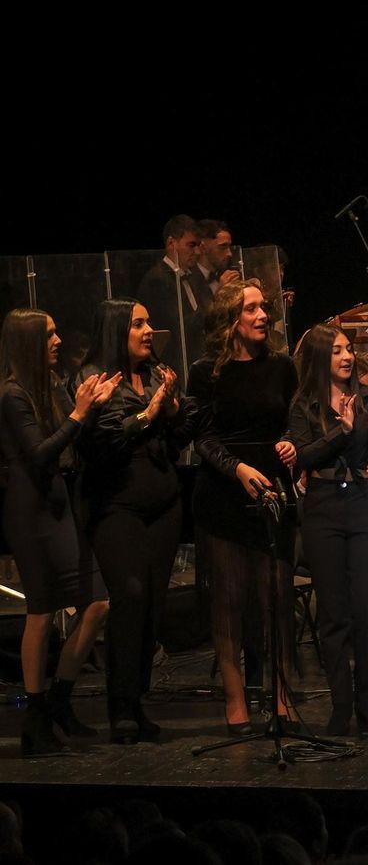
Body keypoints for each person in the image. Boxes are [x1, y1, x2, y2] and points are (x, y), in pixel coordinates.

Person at [77, 298, 196, 743]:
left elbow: (178, 442)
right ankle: (119, 706)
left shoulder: (154, 375)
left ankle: (137, 701)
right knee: (129, 595)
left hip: (163, 506)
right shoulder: (95, 379)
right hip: (116, 508)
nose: (150, 331)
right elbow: (109, 439)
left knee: (153, 605)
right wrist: (149, 414)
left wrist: (174, 411)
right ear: (115, 331)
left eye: (149, 322)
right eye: (139, 324)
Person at [1, 309, 119, 755]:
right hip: (29, 510)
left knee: (97, 602)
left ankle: (59, 701)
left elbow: (62, 444)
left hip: (55, 505)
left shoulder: (44, 387)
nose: (57, 339)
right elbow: (39, 455)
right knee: (42, 610)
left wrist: (88, 413)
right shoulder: (12, 394)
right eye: (48, 334)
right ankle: (35, 718)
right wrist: (79, 412)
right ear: (29, 342)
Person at [188, 280, 300, 735]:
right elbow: (203, 436)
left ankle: (280, 697)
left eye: (264, 307)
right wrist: (237, 470)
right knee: (229, 602)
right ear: (231, 318)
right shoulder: (205, 372)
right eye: (251, 308)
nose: (262, 315)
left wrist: (293, 445)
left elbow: (293, 419)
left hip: (273, 492)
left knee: (275, 599)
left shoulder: (282, 367)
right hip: (224, 495)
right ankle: (236, 700)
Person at [288, 324, 368, 736]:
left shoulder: (367, 397)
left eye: (349, 349)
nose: (347, 357)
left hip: (363, 505)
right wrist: (346, 430)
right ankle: (341, 704)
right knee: (334, 613)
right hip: (323, 506)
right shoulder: (304, 403)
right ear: (320, 358)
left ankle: (367, 700)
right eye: (336, 351)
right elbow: (304, 455)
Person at [134, 215, 208, 381]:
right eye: (191, 245)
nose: (196, 252)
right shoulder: (157, 279)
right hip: (174, 368)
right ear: (171, 244)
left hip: (194, 362)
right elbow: (177, 330)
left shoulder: (194, 276)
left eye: (198, 246)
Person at [195, 219, 243, 296]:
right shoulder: (189, 280)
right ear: (203, 247)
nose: (229, 254)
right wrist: (220, 293)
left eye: (229, 247)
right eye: (223, 247)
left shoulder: (224, 275)